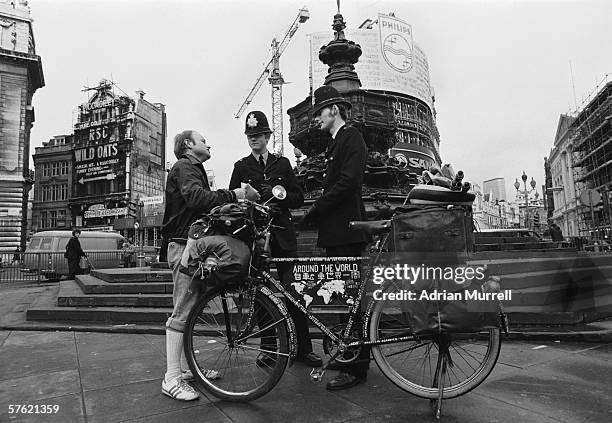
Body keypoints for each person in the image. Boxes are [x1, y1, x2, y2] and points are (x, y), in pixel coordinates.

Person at [160, 130, 249, 402]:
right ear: (188, 145)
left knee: (191, 307)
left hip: (192, 246)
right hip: (184, 248)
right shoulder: (185, 166)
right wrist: (235, 194)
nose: (208, 143)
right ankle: (171, 377)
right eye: (202, 140)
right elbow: (198, 200)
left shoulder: (192, 168)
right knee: (183, 310)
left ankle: (187, 369)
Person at [229, 110, 322, 368]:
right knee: (260, 295)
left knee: (295, 291)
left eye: (258, 135)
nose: (254, 140)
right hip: (256, 237)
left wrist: (279, 195)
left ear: (268, 136)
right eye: (250, 136)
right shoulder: (241, 167)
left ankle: (304, 347)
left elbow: (298, 198)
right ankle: (269, 348)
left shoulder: (282, 165)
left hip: (283, 235)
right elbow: (233, 201)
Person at [302, 85, 371, 391]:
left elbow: (348, 182)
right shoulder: (334, 143)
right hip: (336, 231)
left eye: (319, 111)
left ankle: (356, 367)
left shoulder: (351, 137)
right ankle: (351, 356)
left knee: (352, 301)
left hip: (346, 231)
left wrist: (316, 209)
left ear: (334, 110)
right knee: (345, 299)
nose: (315, 117)